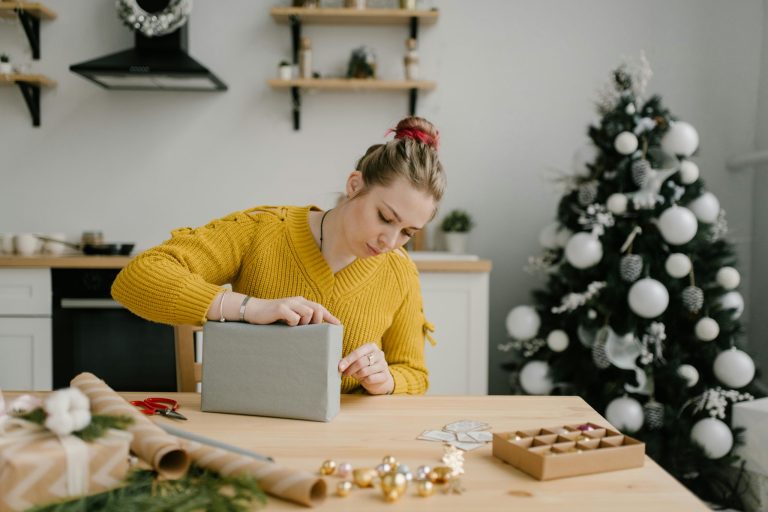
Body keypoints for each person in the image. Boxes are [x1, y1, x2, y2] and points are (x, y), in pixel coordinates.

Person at [112, 116, 445, 395]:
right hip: (247, 430)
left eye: (407, 233)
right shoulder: (261, 231)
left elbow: (415, 374)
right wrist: (248, 308)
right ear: (355, 185)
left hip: (343, 444)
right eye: (385, 218)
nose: (390, 240)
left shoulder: (399, 272)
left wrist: (387, 380)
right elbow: (137, 278)